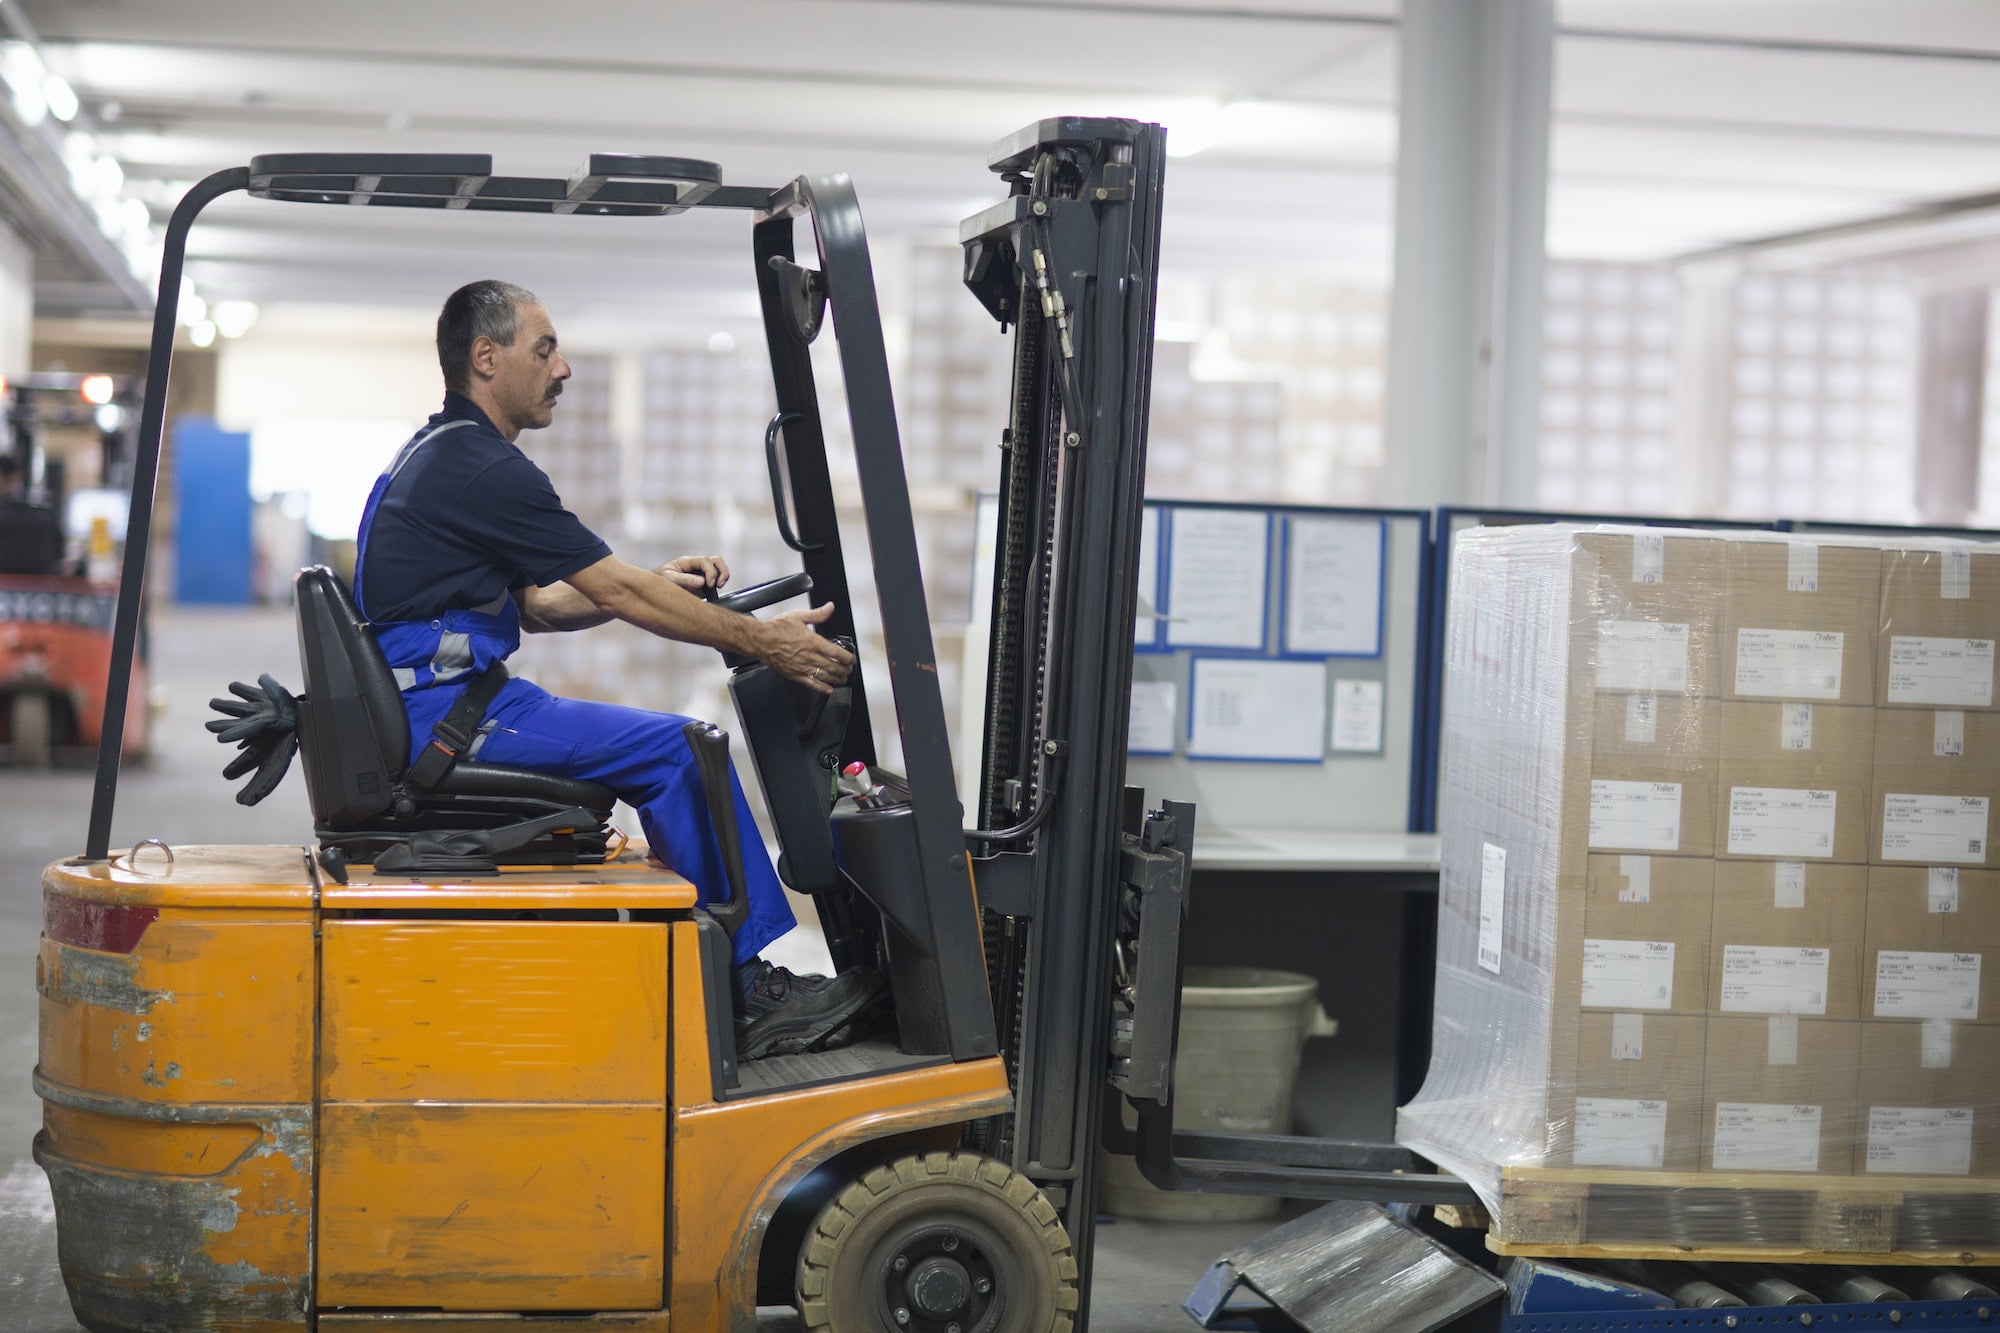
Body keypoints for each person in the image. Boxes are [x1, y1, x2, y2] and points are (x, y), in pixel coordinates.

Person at [355, 278, 880, 1058]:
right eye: (545, 349)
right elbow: (610, 588)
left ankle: (732, 972)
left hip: (442, 704)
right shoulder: (483, 469)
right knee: (680, 749)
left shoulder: (444, 454)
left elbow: (538, 604)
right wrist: (764, 641)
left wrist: (654, 587)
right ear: (487, 358)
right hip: (448, 719)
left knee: (672, 743)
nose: (563, 368)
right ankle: (746, 992)